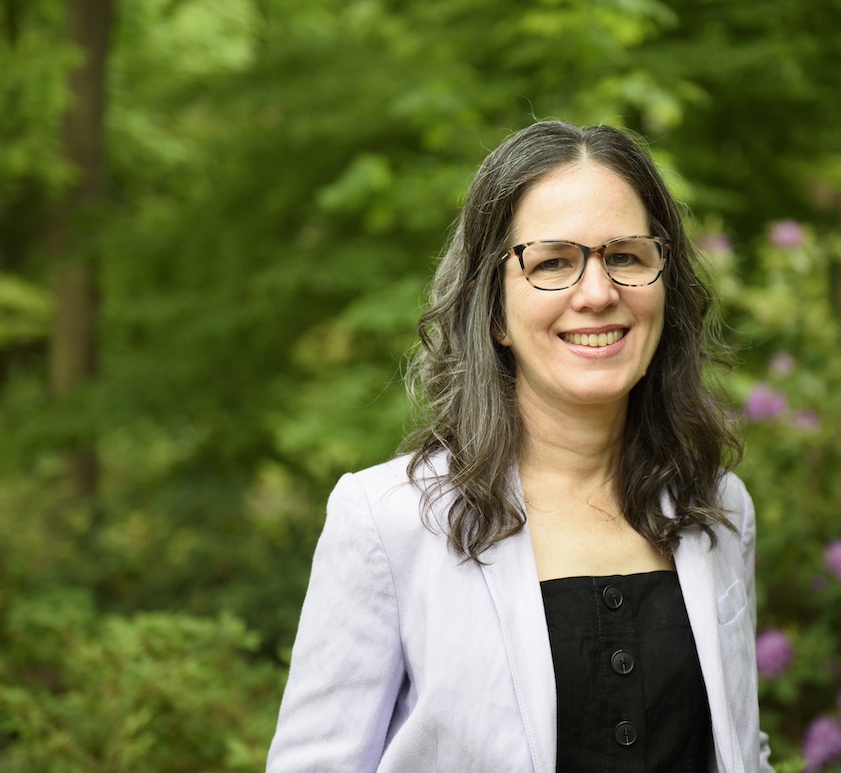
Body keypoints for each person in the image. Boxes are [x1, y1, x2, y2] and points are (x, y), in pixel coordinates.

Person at [266, 120, 774, 773]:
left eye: (626, 256)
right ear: (493, 309)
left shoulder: (717, 506)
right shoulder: (387, 521)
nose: (597, 294)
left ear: (663, 279)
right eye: (553, 262)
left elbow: (740, 750)